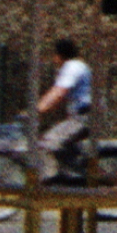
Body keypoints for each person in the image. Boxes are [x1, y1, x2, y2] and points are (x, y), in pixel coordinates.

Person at [35, 38, 94, 182]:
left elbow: (59, 92)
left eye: (54, 55)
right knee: (64, 152)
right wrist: (42, 107)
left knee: (47, 143)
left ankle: (52, 183)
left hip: (84, 116)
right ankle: (74, 183)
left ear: (60, 55)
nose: (54, 59)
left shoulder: (72, 67)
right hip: (83, 116)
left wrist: (37, 109)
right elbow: (56, 95)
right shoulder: (76, 66)